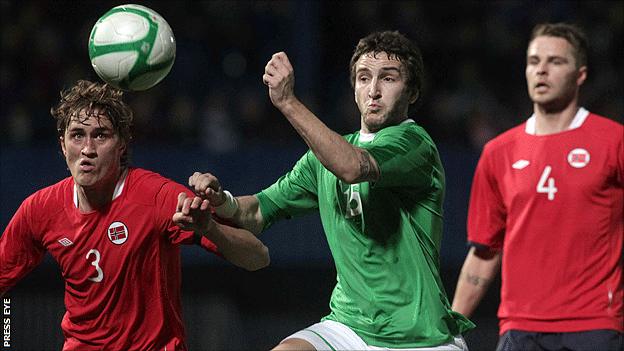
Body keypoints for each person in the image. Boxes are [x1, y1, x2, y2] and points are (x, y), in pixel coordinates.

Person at [188, 30, 474, 350]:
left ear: (413, 92)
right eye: (364, 78)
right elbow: (256, 212)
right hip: (349, 326)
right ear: (353, 88)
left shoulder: (415, 144)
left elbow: (352, 168)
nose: (374, 90)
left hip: (419, 336)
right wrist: (220, 200)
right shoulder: (323, 157)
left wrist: (287, 102)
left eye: (388, 79)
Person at [0, 80, 270, 351]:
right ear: (62, 145)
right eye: (77, 135)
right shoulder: (40, 209)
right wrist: (5, 332)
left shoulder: (159, 197)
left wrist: (210, 227)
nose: (87, 149)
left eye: (101, 135)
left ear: (122, 144)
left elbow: (258, 257)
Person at [452, 22, 623, 351]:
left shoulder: (613, 142)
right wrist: (451, 328)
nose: (541, 70)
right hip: (520, 328)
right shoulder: (498, 152)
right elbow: (485, 250)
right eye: (534, 61)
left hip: (595, 325)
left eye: (556, 61)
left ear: (580, 74)